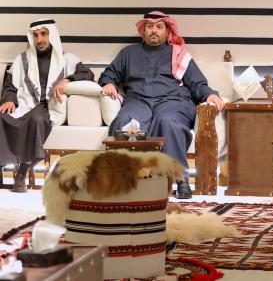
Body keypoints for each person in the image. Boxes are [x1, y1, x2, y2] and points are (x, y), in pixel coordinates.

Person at [98, 11, 224, 199]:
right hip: (138, 101)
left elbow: (197, 82)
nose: (154, 31)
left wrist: (210, 94)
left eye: (159, 27)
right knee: (125, 121)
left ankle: (180, 179)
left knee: (168, 122)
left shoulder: (178, 54)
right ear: (143, 30)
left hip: (172, 101)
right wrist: (108, 83)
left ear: (167, 30)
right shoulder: (128, 53)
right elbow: (109, 74)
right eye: (150, 26)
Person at [0, 20, 93, 192]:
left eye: (44, 34)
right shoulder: (22, 59)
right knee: (2, 117)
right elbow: (10, 85)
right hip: (25, 103)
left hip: (48, 105)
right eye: (35, 35)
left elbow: (87, 74)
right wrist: (10, 99)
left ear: (53, 35)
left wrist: (67, 79)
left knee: (37, 119)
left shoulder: (67, 59)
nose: (39, 40)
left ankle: (22, 172)